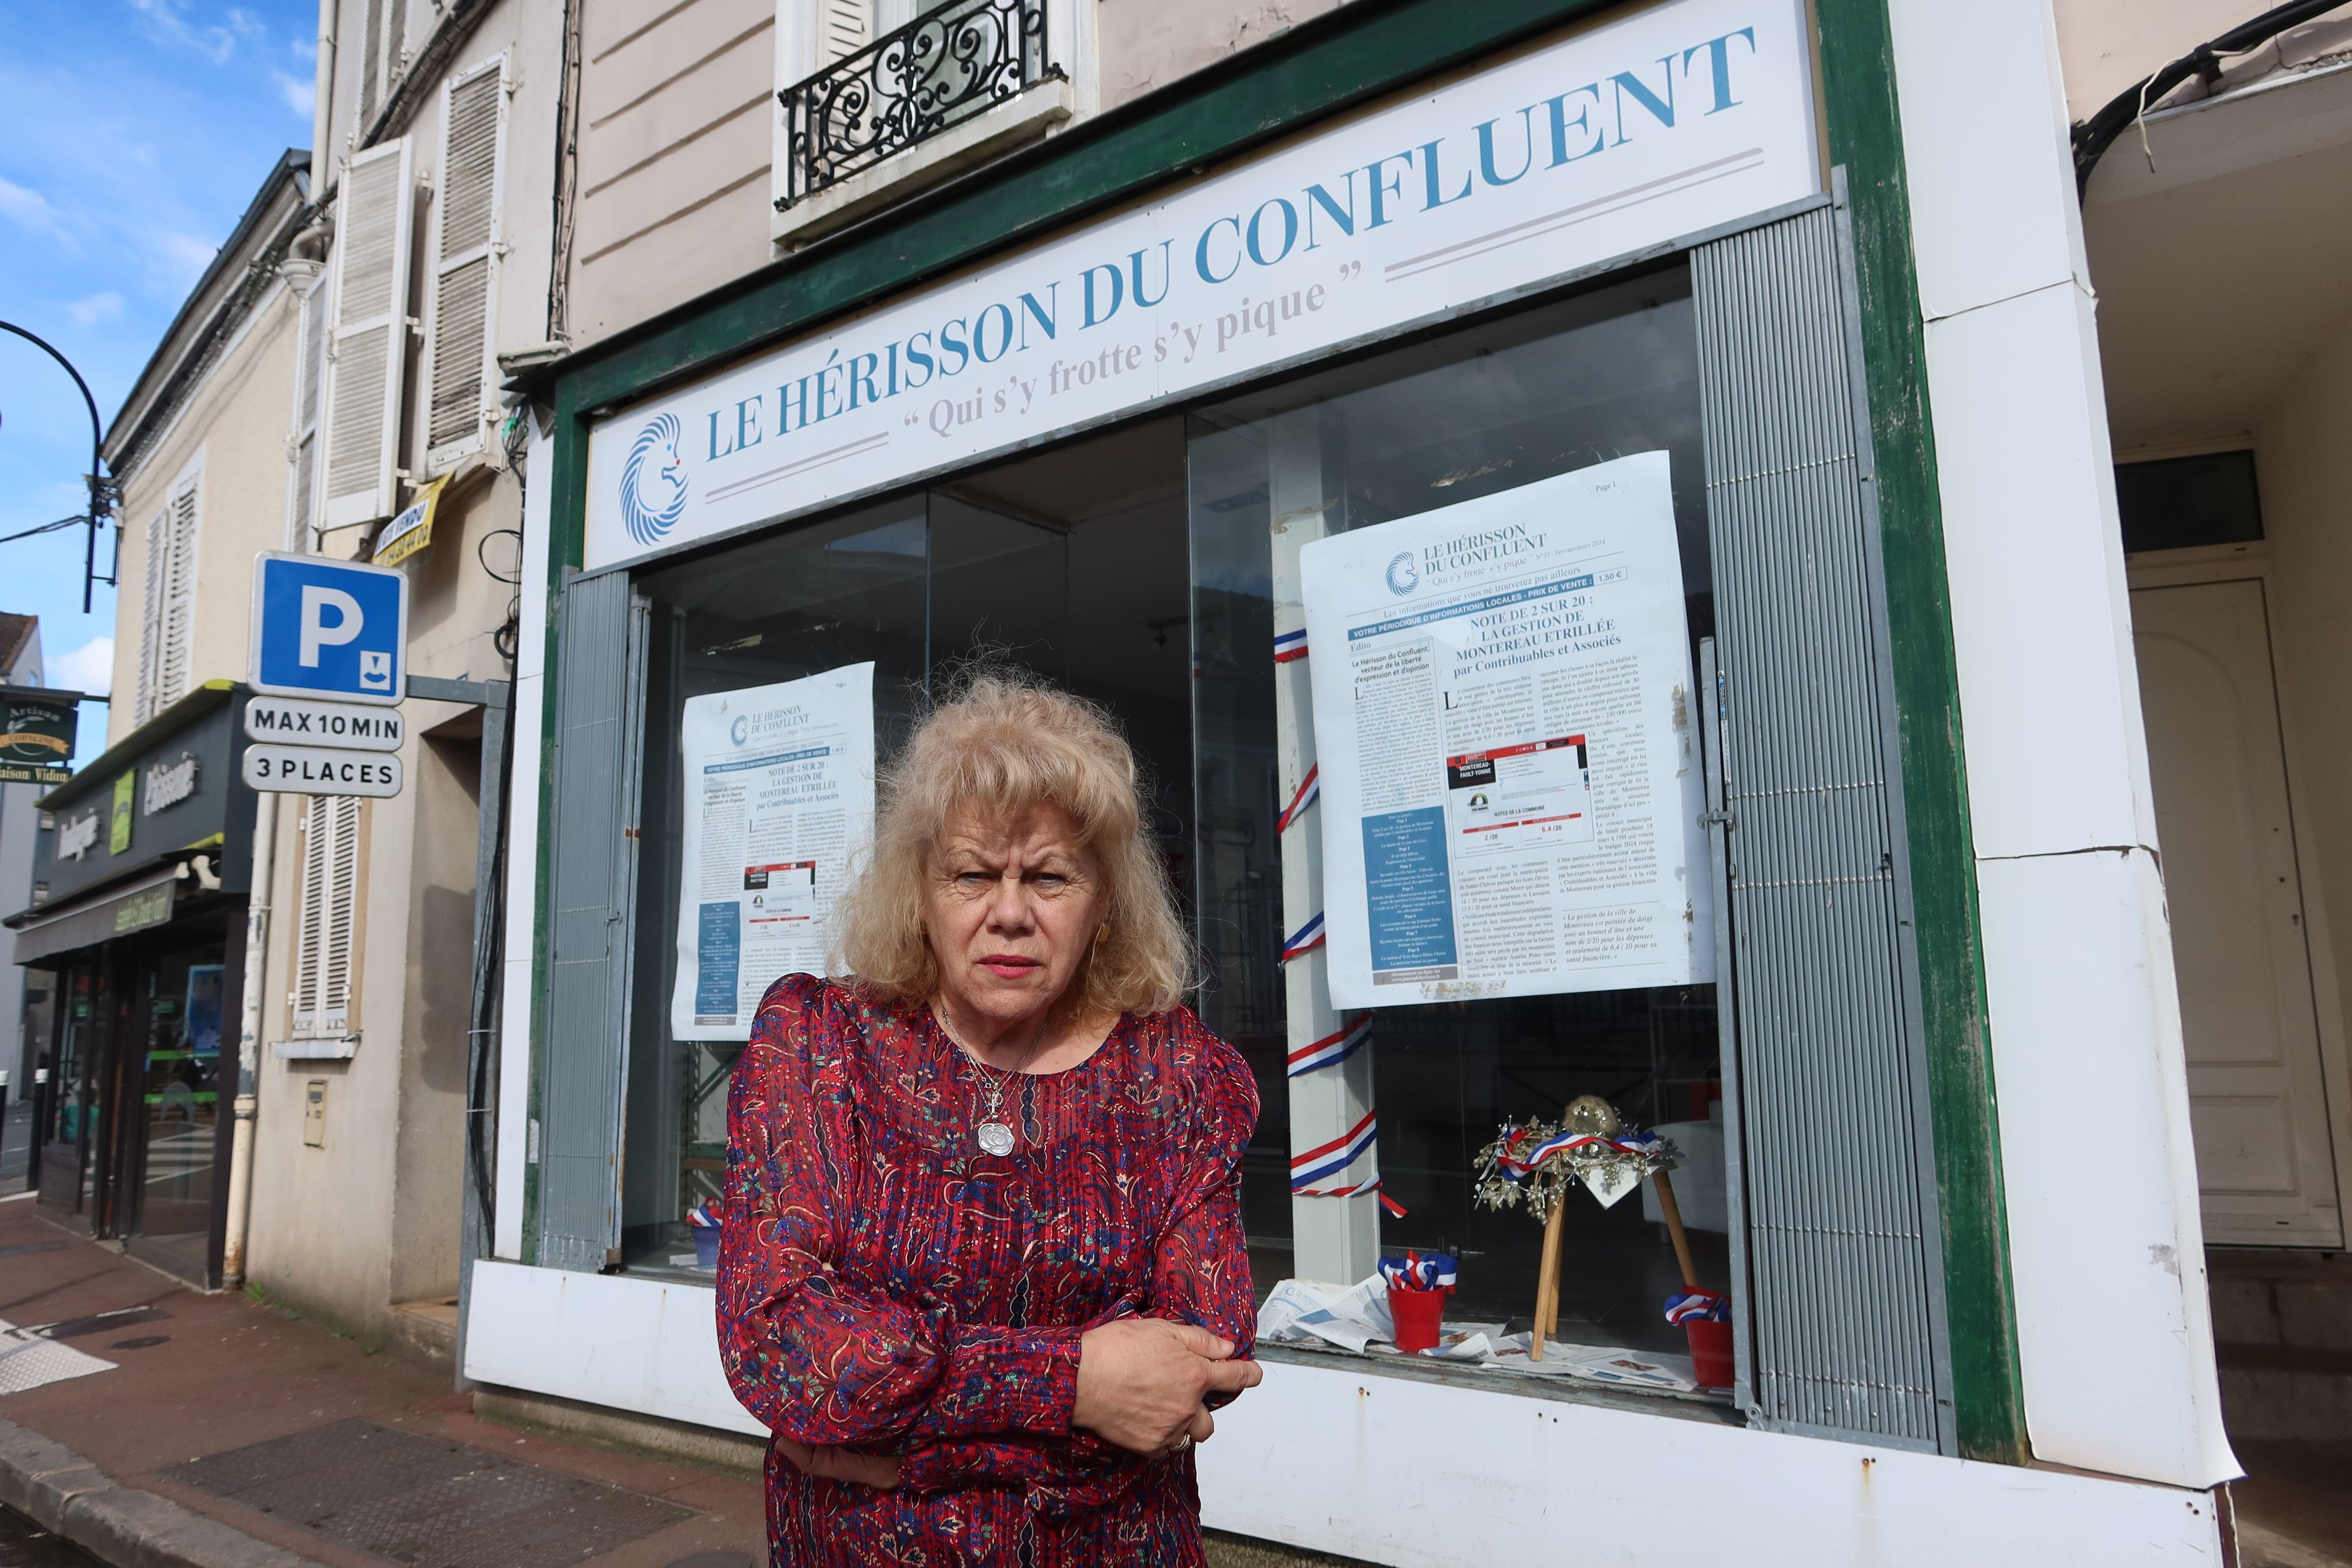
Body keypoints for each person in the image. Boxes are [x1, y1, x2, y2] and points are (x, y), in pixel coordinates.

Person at [718, 669, 1265, 1567]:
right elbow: (779, 1340)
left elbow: (1200, 1363)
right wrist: (1079, 1384)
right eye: (973, 873)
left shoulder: (1178, 1075)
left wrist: (893, 1449)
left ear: (1104, 905)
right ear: (919, 892)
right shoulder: (820, 1044)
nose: (1009, 913)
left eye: (1050, 877)